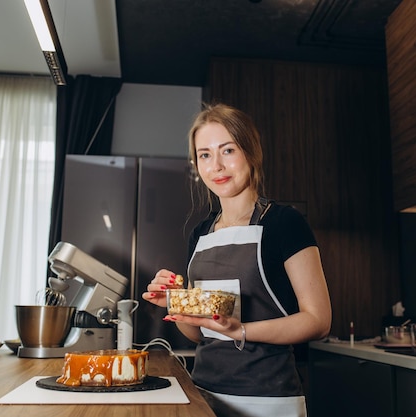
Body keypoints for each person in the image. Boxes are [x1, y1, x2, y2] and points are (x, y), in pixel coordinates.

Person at [142, 103, 332, 417]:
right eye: (205, 154)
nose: (216, 166)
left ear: (251, 152)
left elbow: (318, 320)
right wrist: (175, 302)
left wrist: (240, 330)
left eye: (227, 150)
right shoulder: (200, 234)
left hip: (266, 399)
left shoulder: (284, 223)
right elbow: (201, 331)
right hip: (203, 393)